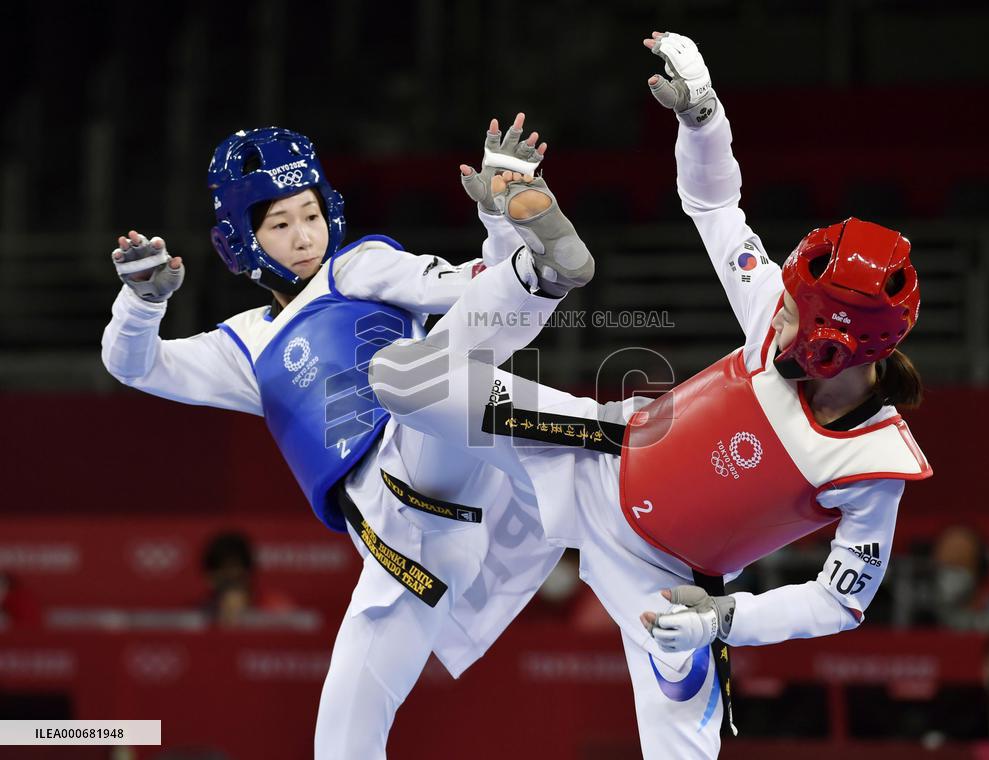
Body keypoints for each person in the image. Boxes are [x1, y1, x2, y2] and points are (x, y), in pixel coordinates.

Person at [370, 31, 932, 758]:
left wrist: (722, 620)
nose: (776, 306)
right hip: (595, 452)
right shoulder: (777, 312)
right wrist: (703, 120)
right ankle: (525, 257)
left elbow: (841, 601)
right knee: (402, 375)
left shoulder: (875, 463)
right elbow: (715, 206)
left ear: (837, 344)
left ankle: (677, 658)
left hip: (668, 584)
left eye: (795, 311)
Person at [101, 119, 594, 758]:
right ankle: (535, 269)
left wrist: (503, 221)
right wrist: (141, 303)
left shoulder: (360, 267)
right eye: (279, 224)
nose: (304, 236)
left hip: (427, 453)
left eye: (310, 214)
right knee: (340, 745)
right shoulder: (244, 347)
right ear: (241, 243)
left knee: (431, 373)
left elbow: (473, 289)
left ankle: (541, 270)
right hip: (403, 555)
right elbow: (132, 365)